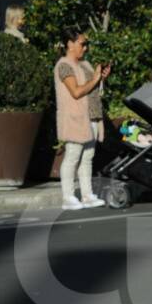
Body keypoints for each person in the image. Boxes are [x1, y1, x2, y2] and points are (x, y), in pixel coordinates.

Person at [55, 27, 109, 210]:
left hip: (92, 117)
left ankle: (87, 195)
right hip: (75, 119)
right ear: (70, 44)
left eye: (86, 44)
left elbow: (92, 89)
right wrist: (94, 80)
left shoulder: (84, 65)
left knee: (88, 157)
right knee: (72, 156)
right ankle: (67, 196)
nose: (85, 48)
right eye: (82, 44)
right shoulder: (64, 66)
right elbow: (77, 92)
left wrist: (101, 78)